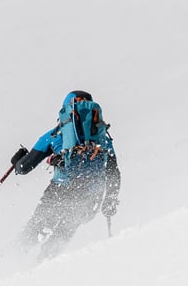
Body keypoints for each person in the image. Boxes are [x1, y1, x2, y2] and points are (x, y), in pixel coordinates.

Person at [10, 90, 121, 259]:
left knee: (35, 229)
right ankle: (41, 268)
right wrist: (110, 200)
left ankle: (10, 259)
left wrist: (17, 161)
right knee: (62, 235)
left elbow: (24, 167)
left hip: (60, 190)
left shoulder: (55, 134)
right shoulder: (102, 137)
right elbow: (113, 172)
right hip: (90, 198)